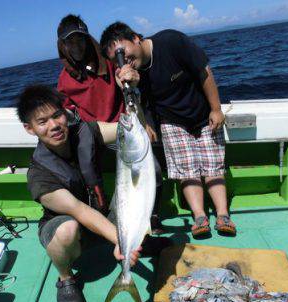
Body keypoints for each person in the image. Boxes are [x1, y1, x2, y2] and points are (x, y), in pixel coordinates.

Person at [100, 22, 237, 237]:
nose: (124, 61)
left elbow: (204, 72)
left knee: (213, 167)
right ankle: (199, 216)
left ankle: (223, 214)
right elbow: (137, 108)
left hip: (203, 114)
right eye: (116, 59)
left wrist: (216, 109)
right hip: (171, 121)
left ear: (136, 38)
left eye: (123, 52)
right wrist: (130, 89)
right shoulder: (132, 76)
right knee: (187, 171)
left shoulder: (171, 41)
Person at [17, 85, 140, 302]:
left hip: (104, 217)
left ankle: (139, 241)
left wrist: (133, 94)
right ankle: (65, 279)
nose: (54, 126)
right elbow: (81, 211)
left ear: (65, 113)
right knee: (67, 229)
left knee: (143, 184)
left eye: (57, 116)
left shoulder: (86, 132)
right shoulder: (39, 176)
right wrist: (121, 241)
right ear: (29, 128)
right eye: (42, 122)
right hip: (75, 233)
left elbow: (129, 127)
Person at [56, 14, 165, 233]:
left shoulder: (109, 62)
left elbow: (132, 93)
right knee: (77, 170)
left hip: (121, 130)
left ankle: (150, 216)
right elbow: (67, 114)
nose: (76, 46)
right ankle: (102, 216)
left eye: (80, 39)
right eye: (70, 42)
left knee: (152, 169)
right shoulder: (64, 81)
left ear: (88, 40)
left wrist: (144, 119)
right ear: (63, 46)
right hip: (92, 135)